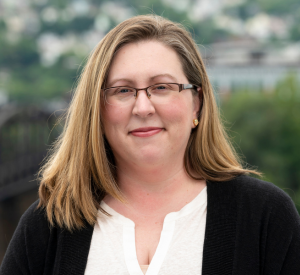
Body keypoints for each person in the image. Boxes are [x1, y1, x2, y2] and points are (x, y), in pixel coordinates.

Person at [1, 14, 300, 275]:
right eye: (123, 90)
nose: (143, 107)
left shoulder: (265, 216)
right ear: (97, 111)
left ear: (196, 103)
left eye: (161, 87)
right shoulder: (50, 224)